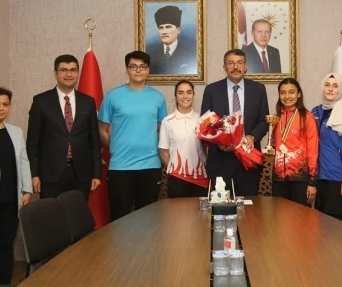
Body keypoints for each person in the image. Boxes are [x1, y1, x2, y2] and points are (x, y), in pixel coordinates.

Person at [100, 51, 167, 219]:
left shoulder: (158, 98)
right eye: (133, 66)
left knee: (149, 218)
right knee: (119, 218)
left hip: (150, 166)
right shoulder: (113, 96)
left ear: (148, 70)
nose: (138, 70)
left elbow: (163, 130)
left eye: (142, 67)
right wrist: (115, 147)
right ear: (127, 69)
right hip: (120, 167)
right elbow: (101, 129)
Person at [27, 54, 101, 200]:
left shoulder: (88, 102)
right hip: (50, 174)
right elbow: (32, 142)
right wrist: (33, 174)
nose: (69, 74)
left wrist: (96, 174)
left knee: (77, 213)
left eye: (73, 70)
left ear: (78, 73)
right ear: (55, 73)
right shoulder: (41, 101)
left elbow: (94, 140)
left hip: (81, 173)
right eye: (63, 70)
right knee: (52, 213)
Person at [0, 87, 32, 285]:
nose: (1, 108)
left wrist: (27, 189)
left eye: (5, 104)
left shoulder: (16, 132)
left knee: (6, 246)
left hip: (12, 199)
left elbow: (24, 161)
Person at [201, 49, 269, 196]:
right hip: (220, 160)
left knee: (249, 205)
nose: (235, 67)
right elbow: (205, 123)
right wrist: (220, 143)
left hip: (248, 159)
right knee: (220, 205)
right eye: (231, 63)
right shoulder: (212, 90)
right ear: (224, 67)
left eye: (239, 63)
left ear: (246, 66)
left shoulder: (258, 89)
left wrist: (252, 137)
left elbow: (264, 121)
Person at [312, 73, 342, 224]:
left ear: (341, 89)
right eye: (327, 85)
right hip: (321, 178)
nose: (330, 89)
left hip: (339, 179)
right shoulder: (315, 112)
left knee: (340, 227)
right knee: (322, 225)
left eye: (335, 86)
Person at [272, 78, 318, 206]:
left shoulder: (307, 117)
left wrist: (312, 182)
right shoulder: (275, 118)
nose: (287, 96)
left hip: (300, 178)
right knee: (279, 216)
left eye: (291, 92)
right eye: (283, 93)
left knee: (300, 217)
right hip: (279, 179)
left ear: (299, 94)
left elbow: (313, 150)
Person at [159, 80, 208, 198]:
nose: (185, 96)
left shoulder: (202, 120)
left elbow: (206, 148)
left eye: (189, 92)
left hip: (200, 176)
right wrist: (175, 169)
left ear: (193, 95)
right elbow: (163, 152)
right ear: (175, 96)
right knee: (178, 210)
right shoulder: (167, 121)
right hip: (177, 178)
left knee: (199, 210)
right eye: (180, 93)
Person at [147, 5, 196, 74]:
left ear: (178, 30)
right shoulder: (151, 56)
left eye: (168, 27)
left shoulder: (189, 54)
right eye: (161, 28)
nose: (164, 32)